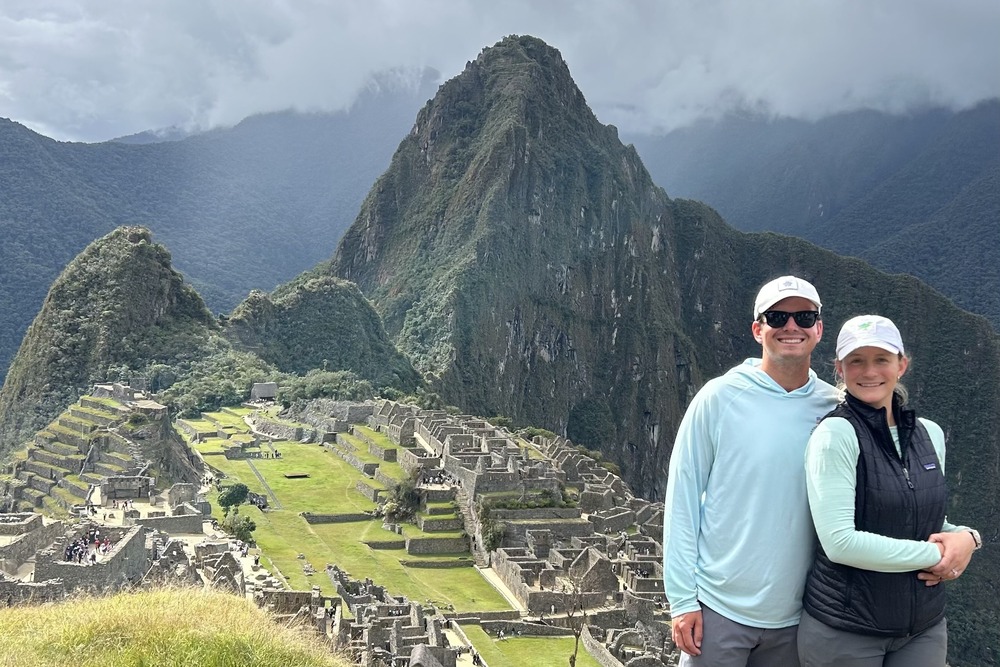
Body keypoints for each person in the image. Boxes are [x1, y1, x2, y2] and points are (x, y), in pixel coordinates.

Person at [663, 275, 840, 666]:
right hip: (718, 611)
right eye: (777, 317)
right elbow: (682, 498)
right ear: (758, 329)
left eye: (804, 317)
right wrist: (681, 600)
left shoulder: (837, 408)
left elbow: (887, 486)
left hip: (800, 618)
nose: (791, 327)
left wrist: (954, 535)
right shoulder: (719, 397)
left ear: (819, 329)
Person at [798, 315, 981, 666]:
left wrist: (968, 539)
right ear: (839, 368)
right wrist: (939, 557)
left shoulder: (930, 434)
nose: (870, 372)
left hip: (922, 628)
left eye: (881, 359)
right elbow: (840, 543)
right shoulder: (835, 435)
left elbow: (930, 520)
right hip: (847, 630)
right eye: (857, 361)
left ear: (902, 364)